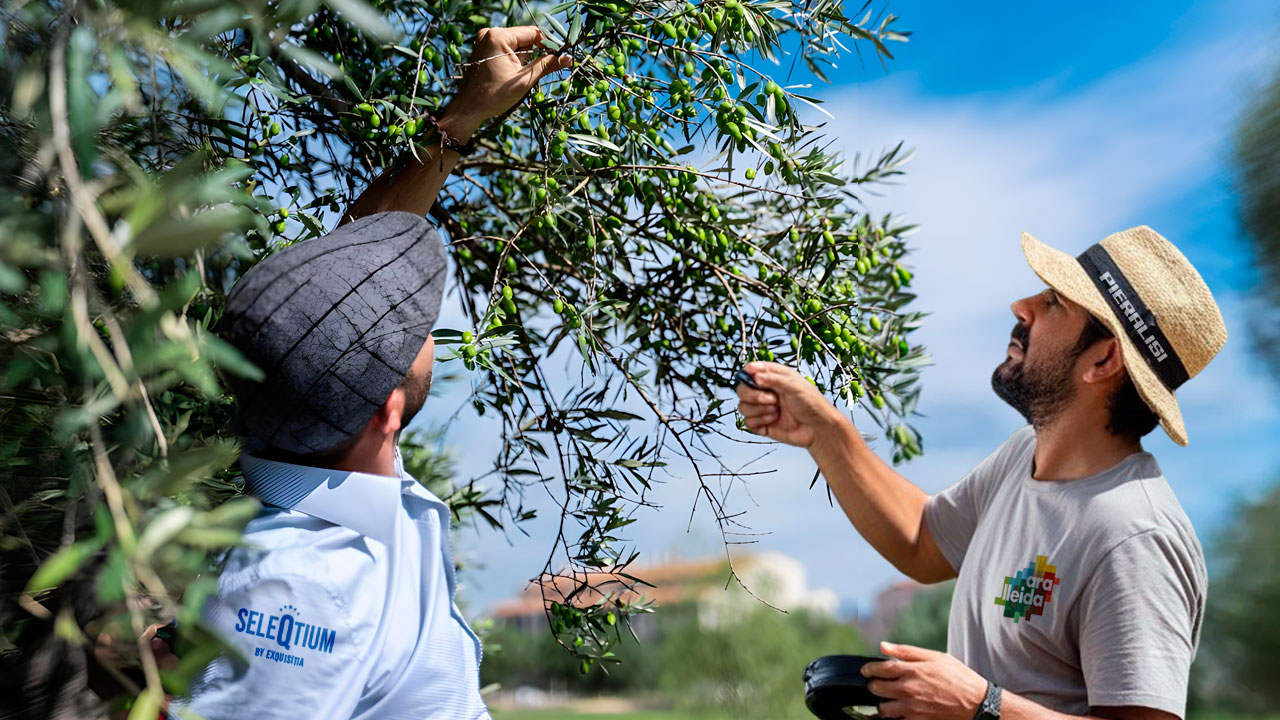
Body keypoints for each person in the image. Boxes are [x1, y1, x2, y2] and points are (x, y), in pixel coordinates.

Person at [165, 26, 572, 719]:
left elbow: (329, 301)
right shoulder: (299, 585)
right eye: (409, 325)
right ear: (387, 409)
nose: (422, 317)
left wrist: (458, 122)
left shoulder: (340, 464)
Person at [736, 227, 1226, 720]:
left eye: (1055, 301)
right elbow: (922, 543)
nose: (1022, 306)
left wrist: (980, 706)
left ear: (1103, 359)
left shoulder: (1134, 537)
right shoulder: (1021, 458)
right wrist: (825, 431)